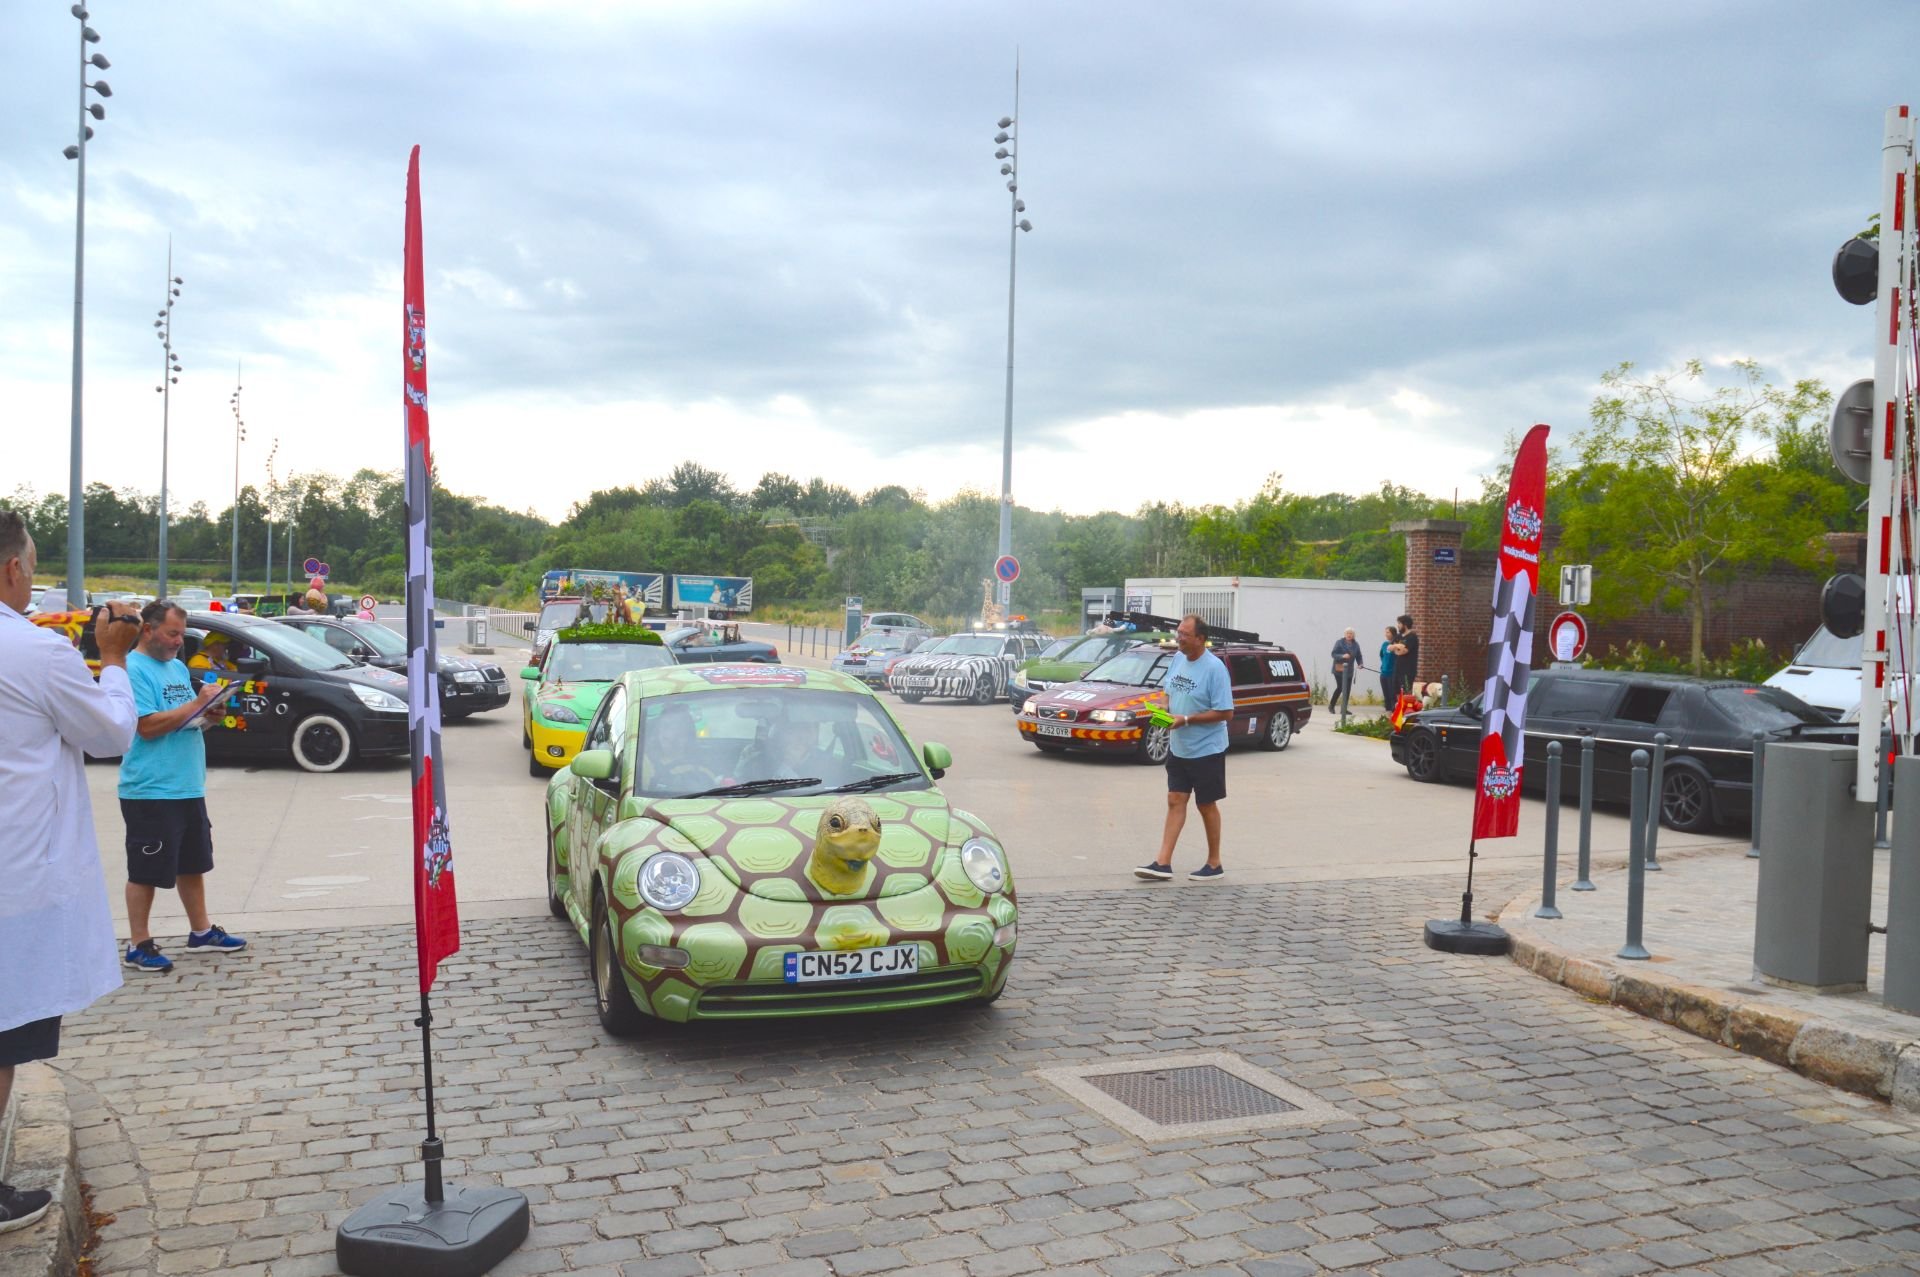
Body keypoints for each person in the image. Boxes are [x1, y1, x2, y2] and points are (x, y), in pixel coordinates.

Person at [0, 511, 140, 1234]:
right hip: (15, 881)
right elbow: (109, 731)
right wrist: (112, 657)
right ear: (14, 569)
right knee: (2, 1036)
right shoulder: (34, 651)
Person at [119, 602, 248, 974]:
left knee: (193, 863)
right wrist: (196, 704)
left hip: (187, 783)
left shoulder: (175, 667)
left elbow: (184, 718)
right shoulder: (133, 669)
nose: (179, 642)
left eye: (181, 634)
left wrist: (211, 715)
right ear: (147, 630)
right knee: (146, 868)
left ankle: (201, 931)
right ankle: (138, 944)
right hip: (151, 788)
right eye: (172, 634)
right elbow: (147, 725)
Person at [1135, 615, 1234, 883]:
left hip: (1207, 749)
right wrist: (1165, 711)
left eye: (1185, 635)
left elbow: (1226, 712)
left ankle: (1214, 864)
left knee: (1206, 803)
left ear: (1200, 639)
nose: (1179, 638)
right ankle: (1162, 863)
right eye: (1179, 632)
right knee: (1175, 800)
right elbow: (1168, 690)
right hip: (1179, 747)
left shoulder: (1215, 669)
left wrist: (1187, 719)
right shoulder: (1178, 659)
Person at [739, 717, 840, 786]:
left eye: (807, 728)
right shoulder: (758, 762)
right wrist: (787, 765)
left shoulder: (830, 765)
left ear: (815, 734)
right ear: (780, 734)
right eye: (794, 729)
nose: (802, 735)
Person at [1329, 628, 1362, 717]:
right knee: (1340, 687)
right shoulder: (1339, 642)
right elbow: (1333, 654)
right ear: (1345, 634)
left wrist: (1360, 664)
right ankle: (1331, 705)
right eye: (1347, 633)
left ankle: (1344, 709)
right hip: (1339, 669)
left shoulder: (1356, 644)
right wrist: (1342, 656)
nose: (1349, 635)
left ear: (1353, 635)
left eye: (1351, 633)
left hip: (1349, 670)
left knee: (1347, 690)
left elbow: (1359, 656)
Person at [1395, 614, 1421, 700]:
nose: (1398, 625)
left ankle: (1405, 711)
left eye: (1399, 623)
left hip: (1408, 671)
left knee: (1405, 692)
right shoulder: (1398, 636)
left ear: (1405, 624)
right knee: (1397, 692)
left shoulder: (1412, 637)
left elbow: (1403, 651)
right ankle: (1399, 710)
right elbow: (1391, 648)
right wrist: (1399, 647)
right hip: (1398, 669)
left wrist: (1397, 647)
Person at [1378, 624, 1399, 705]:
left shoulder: (1396, 645)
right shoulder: (1384, 644)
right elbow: (1381, 655)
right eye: (1385, 632)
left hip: (1392, 673)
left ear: (1393, 633)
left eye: (1388, 632)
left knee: (1392, 695)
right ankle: (1387, 711)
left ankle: (1394, 711)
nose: (1386, 634)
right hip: (1383, 673)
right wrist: (1384, 665)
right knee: (1386, 695)